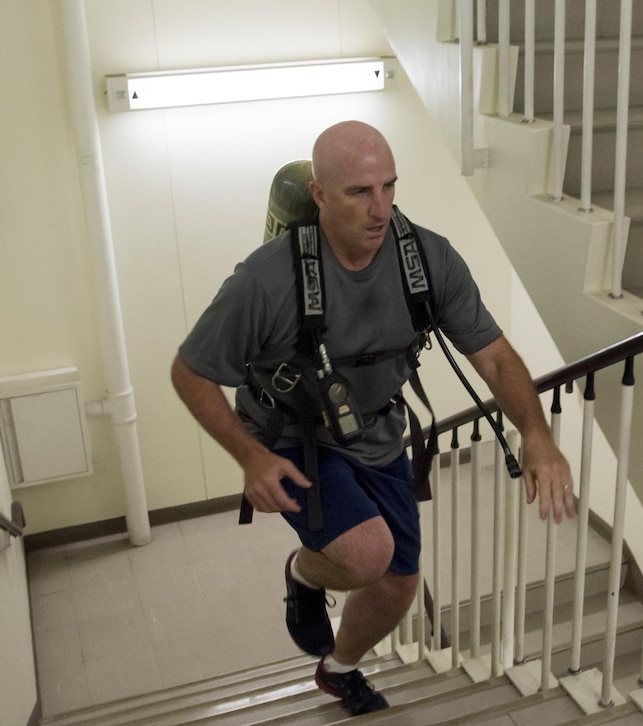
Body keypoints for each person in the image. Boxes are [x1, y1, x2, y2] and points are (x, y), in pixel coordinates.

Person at [171, 120, 575, 715]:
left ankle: (338, 666)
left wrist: (536, 434)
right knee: (366, 554)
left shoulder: (427, 259)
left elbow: (492, 355)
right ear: (321, 196)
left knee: (397, 585)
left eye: (389, 186)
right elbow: (191, 372)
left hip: (375, 428)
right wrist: (250, 456)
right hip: (292, 434)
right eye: (360, 191)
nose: (380, 207)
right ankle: (311, 572)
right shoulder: (266, 281)